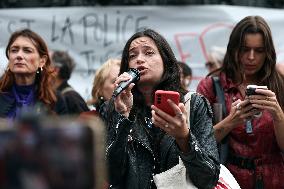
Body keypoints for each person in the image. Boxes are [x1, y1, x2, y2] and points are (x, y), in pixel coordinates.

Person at [104, 29, 220, 189]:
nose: (139, 59)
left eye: (148, 53)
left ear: (166, 60)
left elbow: (209, 179)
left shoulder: (194, 104)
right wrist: (124, 118)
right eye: (132, 55)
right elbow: (112, 176)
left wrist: (184, 138)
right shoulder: (115, 106)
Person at [197, 16, 284, 189]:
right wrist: (231, 121)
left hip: (274, 179)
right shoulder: (212, 85)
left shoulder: (279, 85)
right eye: (245, 49)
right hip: (226, 180)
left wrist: (278, 116)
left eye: (259, 50)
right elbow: (196, 143)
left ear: (268, 52)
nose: (251, 57)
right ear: (233, 48)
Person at [0, 29, 67, 119]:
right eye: (14, 50)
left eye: (27, 51)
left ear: (42, 61)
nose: (19, 55)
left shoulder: (55, 100)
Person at [50, 50, 89, 115]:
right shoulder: (52, 95)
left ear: (55, 70)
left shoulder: (71, 99)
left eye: (46, 63)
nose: (40, 67)